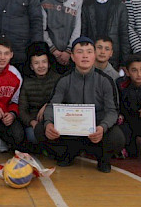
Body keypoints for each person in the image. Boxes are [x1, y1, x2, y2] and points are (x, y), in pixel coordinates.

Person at [42, 37, 124, 173]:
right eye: (80, 52)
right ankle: (68, 154)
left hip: (96, 131)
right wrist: (48, 124)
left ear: (94, 55)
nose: (85, 56)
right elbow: (51, 105)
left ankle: (103, 158)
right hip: (71, 131)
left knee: (117, 137)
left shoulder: (106, 80)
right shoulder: (64, 80)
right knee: (41, 129)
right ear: (72, 57)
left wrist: (102, 127)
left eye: (89, 52)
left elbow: (112, 111)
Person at [81, 0, 130, 69]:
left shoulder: (120, 6)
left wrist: (124, 62)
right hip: (92, 54)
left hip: (114, 55)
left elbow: (124, 34)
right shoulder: (87, 5)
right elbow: (84, 31)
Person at [41, 0, 83, 73]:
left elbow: (77, 27)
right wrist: (54, 50)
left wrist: (69, 51)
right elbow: (43, 29)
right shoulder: (45, 4)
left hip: (72, 53)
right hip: (51, 54)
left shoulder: (78, 1)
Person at [18, 42, 60, 148]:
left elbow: (64, 101)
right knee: (32, 136)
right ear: (31, 66)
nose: (41, 66)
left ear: (49, 64)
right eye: (36, 63)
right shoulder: (26, 83)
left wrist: (47, 105)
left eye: (44, 62)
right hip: (35, 121)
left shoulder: (58, 79)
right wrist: (32, 122)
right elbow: (22, 110)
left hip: (54, 119)